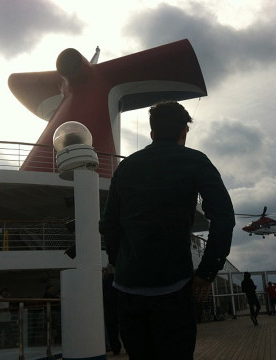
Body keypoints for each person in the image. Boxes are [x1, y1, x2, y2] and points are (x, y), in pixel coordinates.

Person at [98, 100, 235, 360]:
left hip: (128, 290)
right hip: (175, 289)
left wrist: (118, 262)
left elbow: (109, 224)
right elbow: (224, 218)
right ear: (184, 131)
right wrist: (206, 273)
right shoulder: (196, 161)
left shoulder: (125, 167)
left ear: (151, 133)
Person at [102, 264, 122, 356]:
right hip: (119, 307)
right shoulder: (119, 279)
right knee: (123, 328)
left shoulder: (104, 281)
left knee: (112, 330)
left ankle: (115, 349)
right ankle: (128, 347)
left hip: (108, 308)